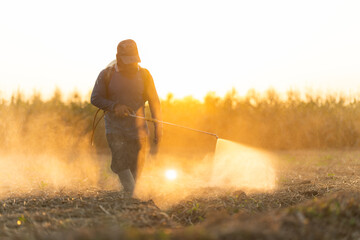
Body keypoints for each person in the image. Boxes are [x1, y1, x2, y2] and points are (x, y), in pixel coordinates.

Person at [91, 39, 162, 197]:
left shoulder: (144, 75)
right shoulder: (107, 75)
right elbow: (95, 98)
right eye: (127, 61)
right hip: (115, 129)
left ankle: (130, 199)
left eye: (133, 60)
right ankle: (130, 194)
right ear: (118, 57)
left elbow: (154, 102)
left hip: (138, 131)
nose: (131, 65)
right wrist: (115, 106)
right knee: (120, 160)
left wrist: (158, 127)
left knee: (135, 169)